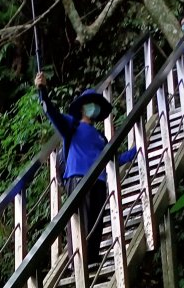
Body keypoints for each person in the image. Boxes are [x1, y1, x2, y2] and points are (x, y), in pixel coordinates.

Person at [34, 71, 137, 269]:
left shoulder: (100, 138)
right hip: (78, 179)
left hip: (99, 182)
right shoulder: (71, 126)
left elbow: (113, 159)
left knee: (96, 223)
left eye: (96, 105)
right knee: (80, 223)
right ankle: (77, 264)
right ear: (82, 108)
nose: (94, 108)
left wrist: (135, 151)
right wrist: (42, 90)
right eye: (90, 103)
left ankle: (91, 262)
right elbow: (52, 113)